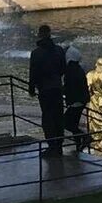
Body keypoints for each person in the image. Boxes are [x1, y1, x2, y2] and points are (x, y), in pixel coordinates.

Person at [28, 24, 67, 157]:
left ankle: (52, 146)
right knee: (58, 116)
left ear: (39, 34)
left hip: (44, 89)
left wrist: (32, 88)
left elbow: (33, 72)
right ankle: (60, 145)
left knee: (47, 117)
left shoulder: (36, 53)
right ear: (50, 34)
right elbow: (63, 69)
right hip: (57, 87)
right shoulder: (59, 50)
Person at [63, 45, 90, 152]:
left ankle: (85, 137)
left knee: (65, 123)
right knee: (73, 124)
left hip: (76, 101)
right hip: (81, 100)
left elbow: (69, 87)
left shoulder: (71, 70)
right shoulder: (78, 69)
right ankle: (78, 143)